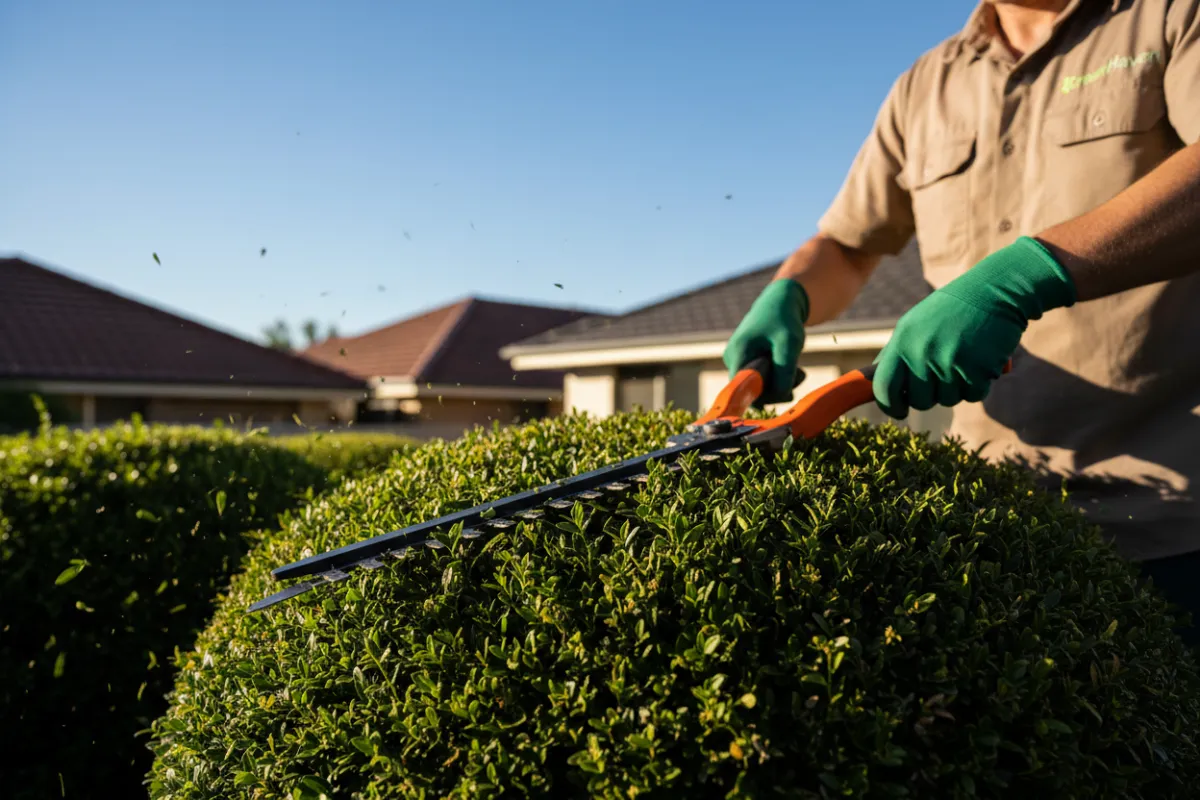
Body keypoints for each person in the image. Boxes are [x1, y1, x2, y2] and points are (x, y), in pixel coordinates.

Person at [723, 0, 1200, 645]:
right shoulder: (926, 83)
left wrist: (1026, 274)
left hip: (1174, 530)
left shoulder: (1168, 15)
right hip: (995, 523)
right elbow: (848, 245)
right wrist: (790, 294)